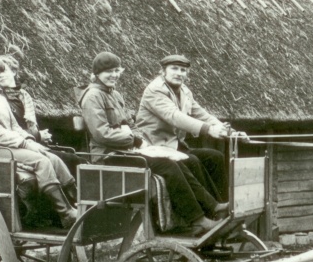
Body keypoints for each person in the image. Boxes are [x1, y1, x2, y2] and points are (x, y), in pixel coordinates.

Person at [78, 51, 226, 236]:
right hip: (108, 155)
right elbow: (102, 134)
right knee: (167, 164)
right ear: (97, 73)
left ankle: (210, 208)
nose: (114, 75)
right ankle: (197, 220)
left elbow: (132, 125)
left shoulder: (115, 95)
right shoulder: (92, 96)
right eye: (109, 71)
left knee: (178, 160)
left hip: (127, 151)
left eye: (117, 71)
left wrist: (138, 138)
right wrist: (134, 139)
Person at [0, 52, 78, 228]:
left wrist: (31, 141)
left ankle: (77, 203)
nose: (1, 75)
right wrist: (24, 144)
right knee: (41, 161)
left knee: (52, 157)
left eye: (3, 71)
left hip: (5, 145)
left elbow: (14, 126)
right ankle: (65, 213)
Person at [135, 54, 229, 202]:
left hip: (174, 147)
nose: (179, 73)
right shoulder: (154, 90)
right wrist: (208, 129)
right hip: (154, 147)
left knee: (215, 157)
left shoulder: (185, 91)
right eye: (174, 68)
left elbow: (201, 113)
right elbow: (174, 116)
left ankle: (223, 204)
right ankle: (211, 209)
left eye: (183, 70)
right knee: (192, 161)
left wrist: (226, 129)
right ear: (163, 71)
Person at [0, 52, 85, 177]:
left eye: (4, 71)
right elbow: (10, 130)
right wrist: (39, 136)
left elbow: (31, 125)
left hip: (34, 142)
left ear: (13, 71)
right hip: (18, 146)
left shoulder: (24, 95)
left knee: (76, 159)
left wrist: (39, 135)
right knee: (72, 161)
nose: (0, 75)